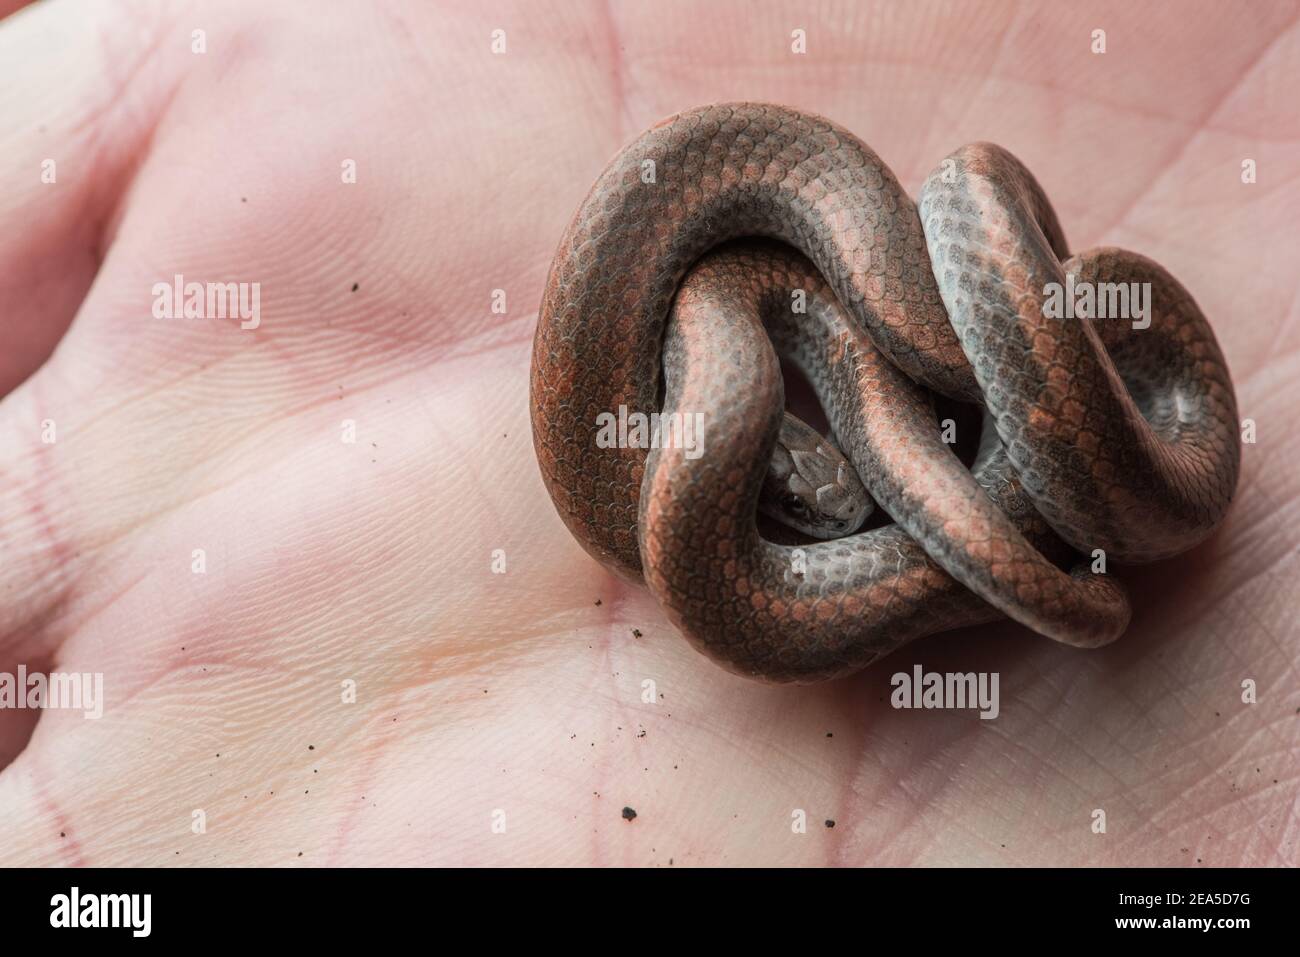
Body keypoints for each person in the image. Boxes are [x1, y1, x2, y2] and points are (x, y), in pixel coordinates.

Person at [0, 0, 1293, 866]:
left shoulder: (835, 328)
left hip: (1004, 375)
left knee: (1030, 392)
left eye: (822, 494)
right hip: (916, 395)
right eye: (816, 499)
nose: (838, 509)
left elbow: (952, 337)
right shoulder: (722, 342)